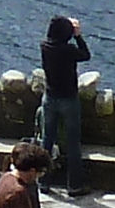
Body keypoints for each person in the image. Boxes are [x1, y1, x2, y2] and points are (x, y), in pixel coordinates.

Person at [39, 15, 91, 189]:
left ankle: (42, 181)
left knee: (47, 140)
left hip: (49, 97)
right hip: (68, 98)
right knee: (73, 143)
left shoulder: (45, 46)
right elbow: (85, 55)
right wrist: (78, 35)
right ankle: (74, 185)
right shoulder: (68, 50)